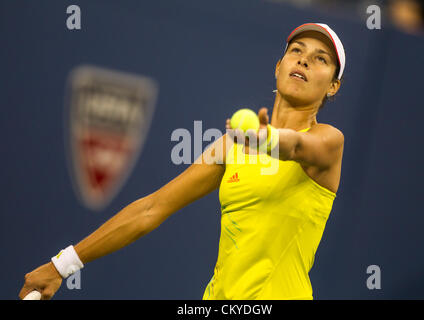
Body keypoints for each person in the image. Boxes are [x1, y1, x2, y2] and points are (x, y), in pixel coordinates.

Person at [19, 22, 345, 300]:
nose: (303, 62)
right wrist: (62, 265)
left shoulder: (329, 142)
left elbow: (297, 146)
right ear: (278, 66)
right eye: (296, 51)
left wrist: (266, 139)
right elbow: (152, 209)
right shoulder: (232, 146)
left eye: (320, 59)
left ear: (333, 86)